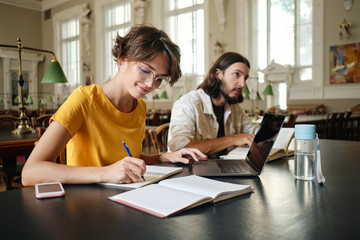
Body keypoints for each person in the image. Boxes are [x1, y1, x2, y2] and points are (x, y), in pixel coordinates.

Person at [22, 25, 207, 186]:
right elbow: (30, 172)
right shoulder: (85, 99)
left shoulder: (139, 107)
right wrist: (105, 174)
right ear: (123, 58)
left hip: (124, 200)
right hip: (85, 206)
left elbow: (122, 159)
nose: (151, 84)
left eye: (159, 79)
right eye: (145, 70)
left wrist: (162, 157)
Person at [168, 52, 259, 158]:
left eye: (245, 78)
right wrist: (232, 139)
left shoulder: (234, 108)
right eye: (236, 74)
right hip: (191, 170)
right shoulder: (187, 104)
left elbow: (254, 132)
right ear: (218, 74)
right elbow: (181, 149)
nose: (242, 84)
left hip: (226, 167)